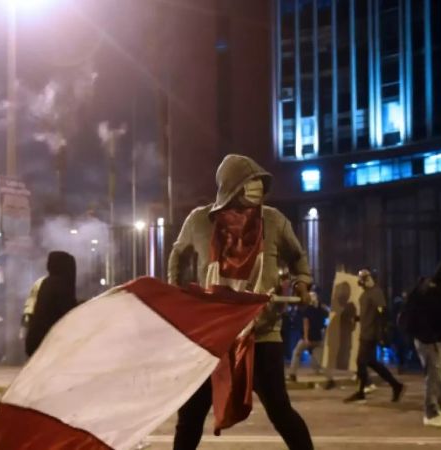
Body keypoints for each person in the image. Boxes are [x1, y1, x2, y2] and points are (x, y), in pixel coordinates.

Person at [168, 154, 314, 450]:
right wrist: (176, 292)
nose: (257, 188)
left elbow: (298, 258)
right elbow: (177, 255)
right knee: (191, 415)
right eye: (249, 182)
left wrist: (302, 282)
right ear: (230, 187)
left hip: (261, 334)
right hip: (212, 335)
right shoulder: (199, 221)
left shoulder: (273, 220)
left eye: (260, 182)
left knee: (280, 411)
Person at [399, 259, 441, 428]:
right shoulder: (431, 291)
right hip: (428, 339)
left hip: (430, 338)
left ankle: (434, 408)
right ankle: (431, 413)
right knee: (434, 376)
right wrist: (432, 336)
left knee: (439, 375)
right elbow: (439, 315)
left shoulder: (433, 289)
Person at [344, 269, 405, 404]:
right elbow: (369, 312)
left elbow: (382, 311)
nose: (361, 281)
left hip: (370, 334)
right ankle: (396, 385)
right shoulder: (366, 293)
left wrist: (382, 332)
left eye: (364, 278)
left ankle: (361, 392)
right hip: (365, 331)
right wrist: (358, 318)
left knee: (361, 362)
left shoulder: (376, 292)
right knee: (372, 363)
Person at [25, 251, 78, 357]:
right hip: (48, 342)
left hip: (37, 338)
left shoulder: (46, 283)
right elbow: (68, 311)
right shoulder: (60, 285)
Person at [288, 288, 336, 389]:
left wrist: (306, 337)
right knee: (321, 360)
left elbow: (306, 323)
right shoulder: (320, 309)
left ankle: (292, 374)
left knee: (296, 352)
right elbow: (329, 315)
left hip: (308, 338)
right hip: (318, 338)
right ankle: (330, 379)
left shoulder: (308, 309)